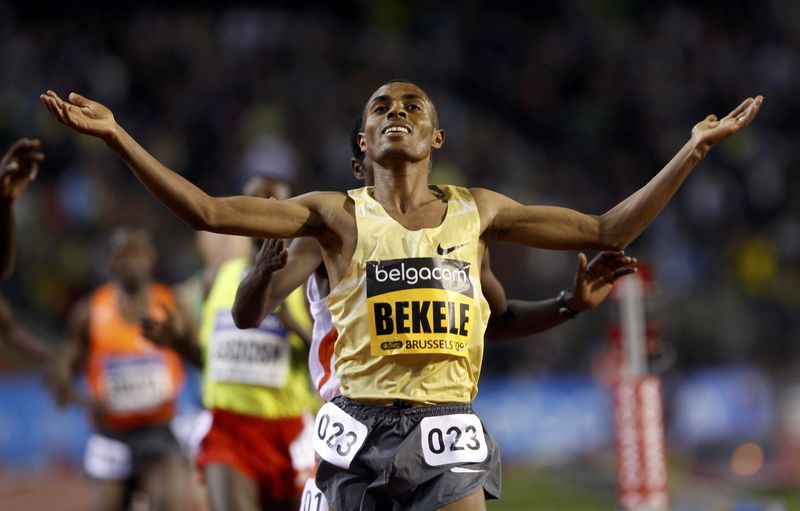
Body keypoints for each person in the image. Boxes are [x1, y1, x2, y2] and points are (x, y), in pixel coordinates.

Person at [40, 81, 762, 510]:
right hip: (353, 428)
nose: (397, 111)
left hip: (448, 428)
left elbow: (604, 229)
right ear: (363, 137)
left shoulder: (478, 212)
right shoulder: (334, 215)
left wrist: (692, 148)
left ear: (435, 135)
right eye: (382, 105)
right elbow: (205, 210)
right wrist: (117, 137)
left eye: (413, 106)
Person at [232, 117, 637, 511]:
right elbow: (251, 308)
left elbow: (496, 322)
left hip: (435, 419)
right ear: (362, 163)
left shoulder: (460, 230)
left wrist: (568, 305)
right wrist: (263, 279)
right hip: (351, 424)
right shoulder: (334, 231)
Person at [145, 174, 318, 511]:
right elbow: (213, 362)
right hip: (229, 430)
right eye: (253, 200)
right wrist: (176, 344)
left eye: (275, 203)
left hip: (288, 431)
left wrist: (295, 326)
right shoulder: (217, 278)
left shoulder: (307, 280)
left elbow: (331, 358)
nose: (262, 211)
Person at [49, 226, 190, 511]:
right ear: (109, 260)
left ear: (151, 257)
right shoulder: (90, 311)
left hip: (158, 430)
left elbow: (199, 353)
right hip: (110, 435)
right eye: (120, 254)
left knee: (169, 504)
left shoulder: (171, 304)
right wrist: (84, 400)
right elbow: (60, 371)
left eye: (136, 253)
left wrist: (180, 341)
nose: (129, 261)